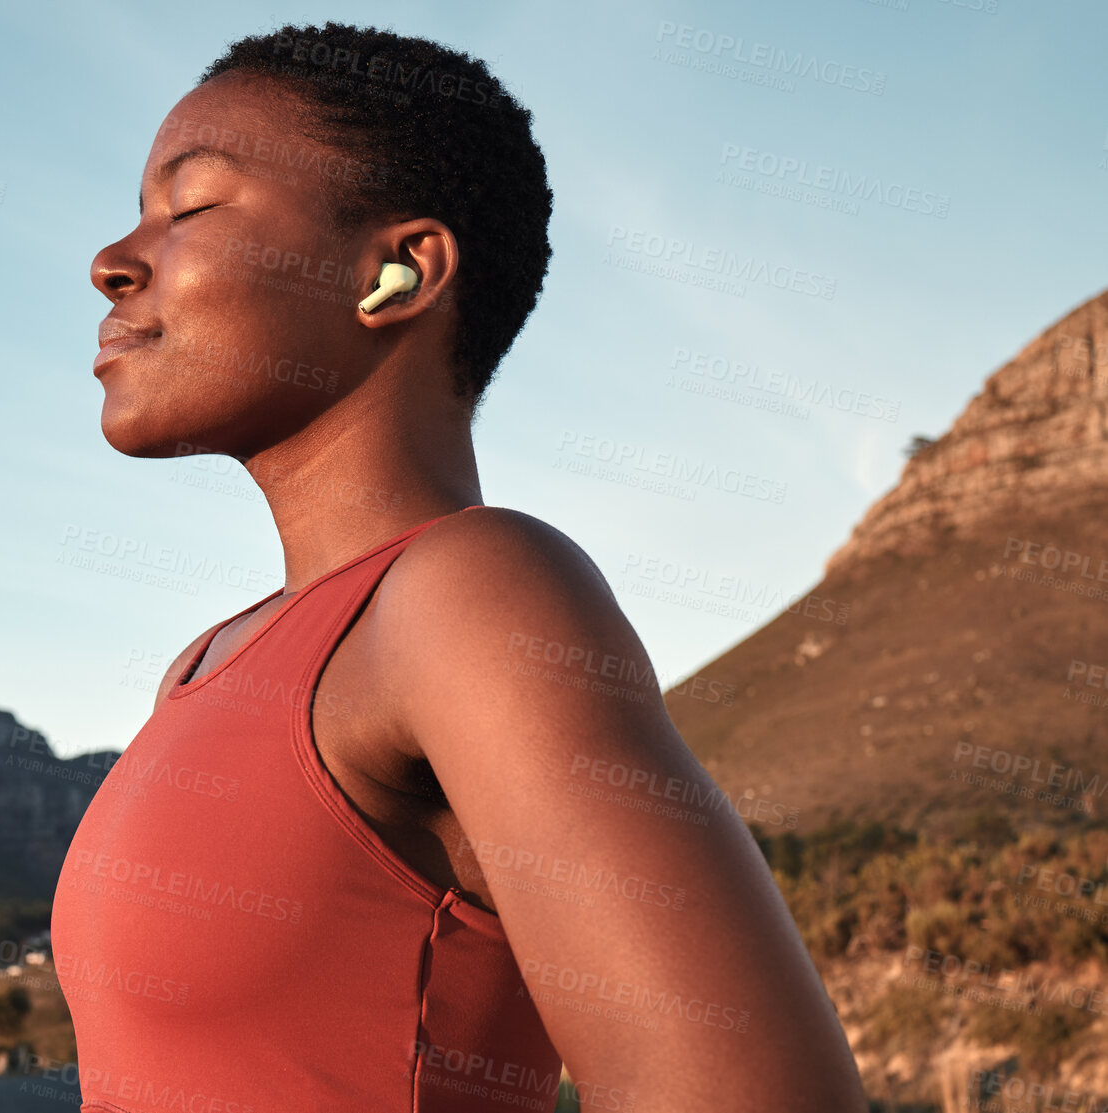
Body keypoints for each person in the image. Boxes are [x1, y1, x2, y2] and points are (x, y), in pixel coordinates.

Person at [52, 20, 866, 1113]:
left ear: (397, 274)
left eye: (190, 206)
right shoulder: (206, 665)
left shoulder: (470, 592)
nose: (113, 261)